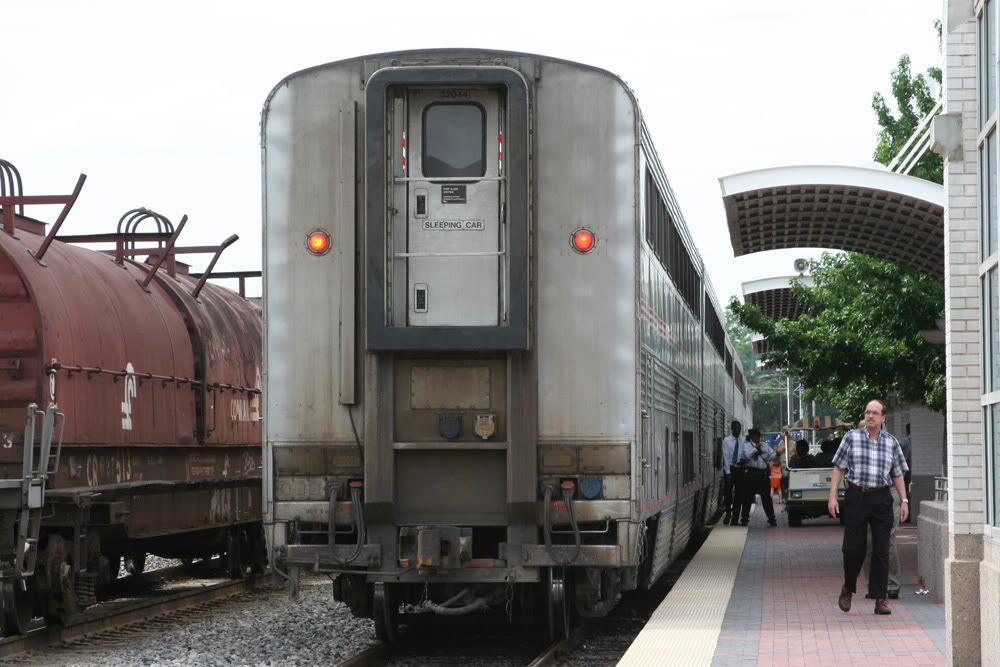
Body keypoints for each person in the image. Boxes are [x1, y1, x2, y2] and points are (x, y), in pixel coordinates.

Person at [828, 399, 909, 615]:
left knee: (882, 548)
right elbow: (838, 467)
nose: (870, 416)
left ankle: (880, 597)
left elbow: (898, 473)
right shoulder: (851, 437)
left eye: (875, 413)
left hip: (881, 497)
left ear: (883, 418)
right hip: (857, 496)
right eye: (867, 412)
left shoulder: (891, 442)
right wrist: (832, 497)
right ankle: (848, 587)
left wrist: (904, 500)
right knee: (853, 548)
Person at [737, 428, 778, 526]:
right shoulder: (746, 445)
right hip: (751, 473)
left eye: (758, 436)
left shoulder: (765, 445)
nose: (757, 437)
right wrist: (756, 448)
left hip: (763, 474)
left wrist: (767, 456)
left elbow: (773, 454)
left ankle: (771, 518)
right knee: (747, 498)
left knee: (766, 498)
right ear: (751, 437)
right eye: (755, 436)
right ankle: (744, 519)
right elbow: (747, 456)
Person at [721, 421, 744, 525]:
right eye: (736, 428)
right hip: (730, 468)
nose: (738, 430)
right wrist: (728, 472)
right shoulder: (726, 440)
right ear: (732, 429)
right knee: (728, 493)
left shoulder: (743, 440)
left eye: (739, 428)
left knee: (739, 494)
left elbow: (745, 453)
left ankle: (735, 518)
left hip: (740, 469)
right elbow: (725, 456)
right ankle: (728, 513)